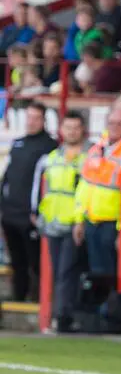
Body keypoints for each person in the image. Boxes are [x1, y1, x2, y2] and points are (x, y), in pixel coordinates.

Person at [72, 108, 121, 293]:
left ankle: (111, 315)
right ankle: (97, 316)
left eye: (119, 123)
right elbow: (85, 186)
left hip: (113, 223)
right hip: (91, 220)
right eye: (111, 123)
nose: (114, 127)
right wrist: (79, 220)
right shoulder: (96, 149)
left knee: (112, 274)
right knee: (96, 273)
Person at [31, 111, 88, 332]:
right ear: (61, 130)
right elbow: (39, 188)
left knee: (66, 271)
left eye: (76, 127)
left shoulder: (88, 158)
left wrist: (80, 220)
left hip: (74, 223)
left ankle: (62, 317)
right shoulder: (51, 157)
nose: (72, 132)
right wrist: (36, 213)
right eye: (68, 127)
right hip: (53, 222)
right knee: (59, 271)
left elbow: (86, 192)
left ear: (82, 130)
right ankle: (62, 314)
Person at [0, 102, 57, 301]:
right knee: (16, 261)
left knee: (36, 261)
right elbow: (8, 176)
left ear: (43, 121)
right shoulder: (18, 143)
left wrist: (38, 211)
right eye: (29, 118)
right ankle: (19, 296)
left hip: (31, 216)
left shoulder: (50, 147)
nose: (31, 122)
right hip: (10, 213)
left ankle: (40, 299)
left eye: (36, 118)